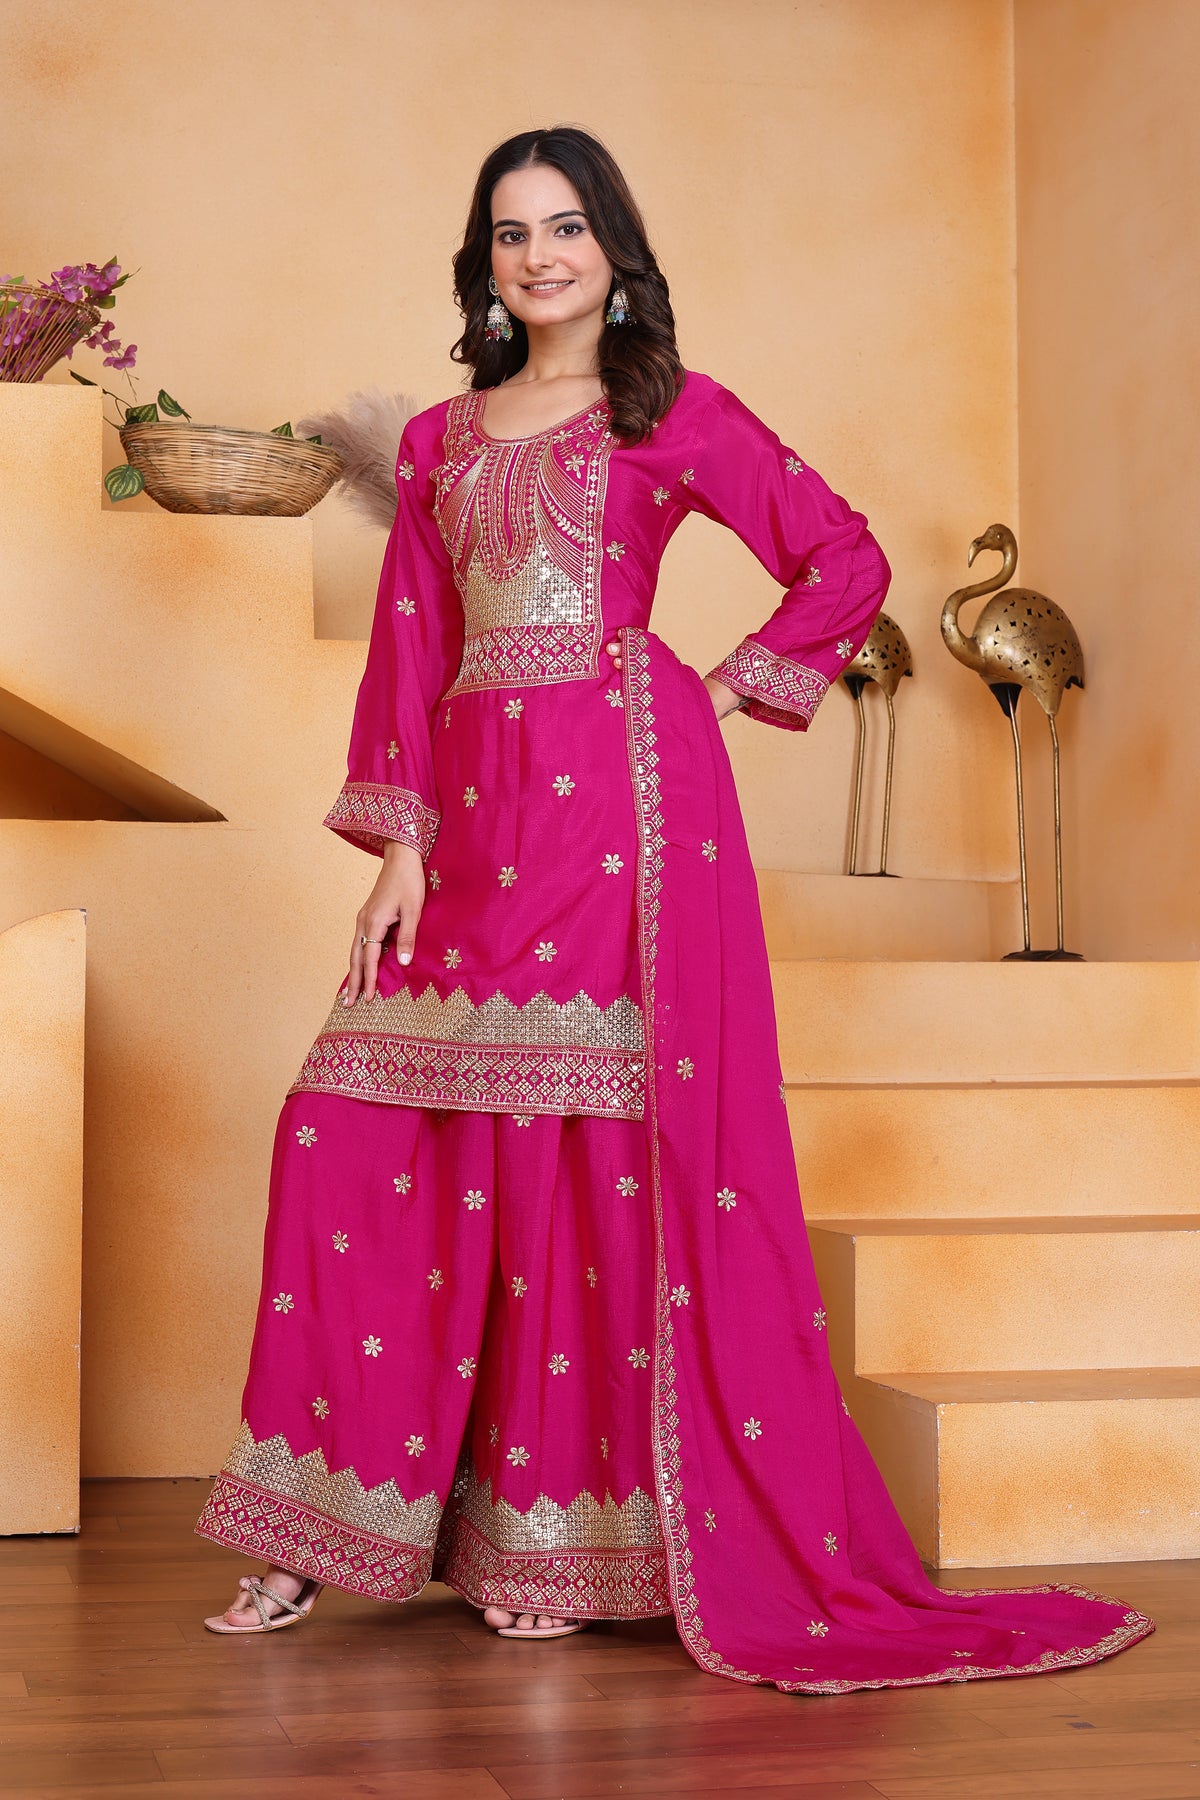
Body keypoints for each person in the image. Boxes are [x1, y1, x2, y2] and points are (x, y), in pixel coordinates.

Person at [196, 126, 1152, 1687]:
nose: (538, 256)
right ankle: (319, 1528)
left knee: (577, 1155)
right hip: (474, 818)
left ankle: (555, 1542)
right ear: (483, 262)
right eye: (510, 234)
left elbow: (837, 557)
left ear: (615, 249)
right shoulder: (439, 440)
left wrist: (719, 689)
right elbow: (412, 651)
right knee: (347, 1130)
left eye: (565, 228)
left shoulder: (671, 415)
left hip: (623, 818)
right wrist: (401, 845)